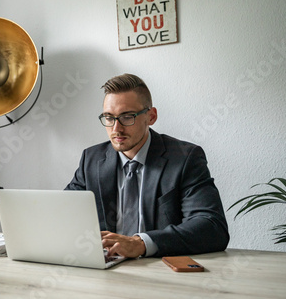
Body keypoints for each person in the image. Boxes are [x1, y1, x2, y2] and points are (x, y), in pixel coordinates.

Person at [65, 73, 229, 258]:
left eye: (127, 117)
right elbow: (62, 213)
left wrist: (141, 243)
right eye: (109, 117)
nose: (116, 128)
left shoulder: (185, 158)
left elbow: (212, 227)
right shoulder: (92, 159)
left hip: (160, 270)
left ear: (151, 117)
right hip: (105, 267)